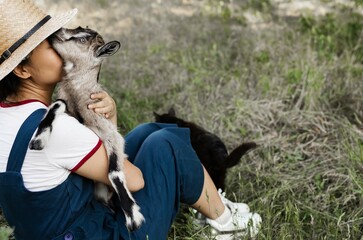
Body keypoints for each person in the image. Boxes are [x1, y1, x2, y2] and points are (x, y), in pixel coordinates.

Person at [0, 0, 262, 239]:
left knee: (148, 131)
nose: (63, 46)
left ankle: (209, 201)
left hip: (62, 224)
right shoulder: (55, 129)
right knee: (165, 144)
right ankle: (228, 224)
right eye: (51, 44)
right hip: (96, 233)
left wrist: (108, 119)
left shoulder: (10, 116)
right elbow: (133, 181)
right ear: (23, 69)